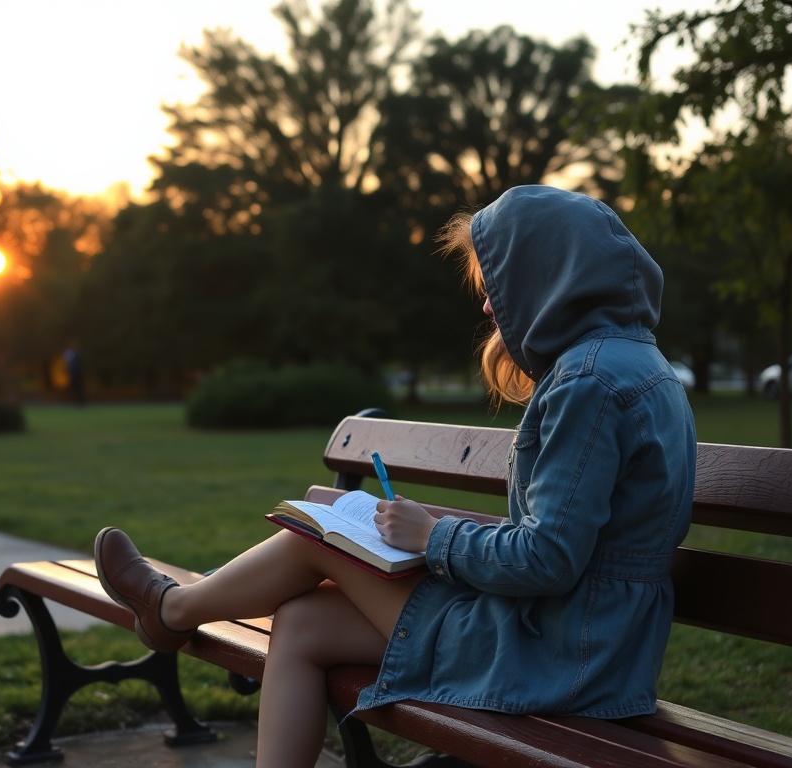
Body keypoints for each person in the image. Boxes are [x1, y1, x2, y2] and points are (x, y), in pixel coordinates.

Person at [94, 185, 697, 768]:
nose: (489, 308)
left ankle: (172, 610)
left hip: (558, 655)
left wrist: (432, 537)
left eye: (499, 290)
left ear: (549, 277)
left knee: (315, 543)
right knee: (302, 623)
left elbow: (548, 558)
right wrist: (434, 528)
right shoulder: (634, 363)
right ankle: (172, 609)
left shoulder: (587, 383)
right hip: (588, 643)